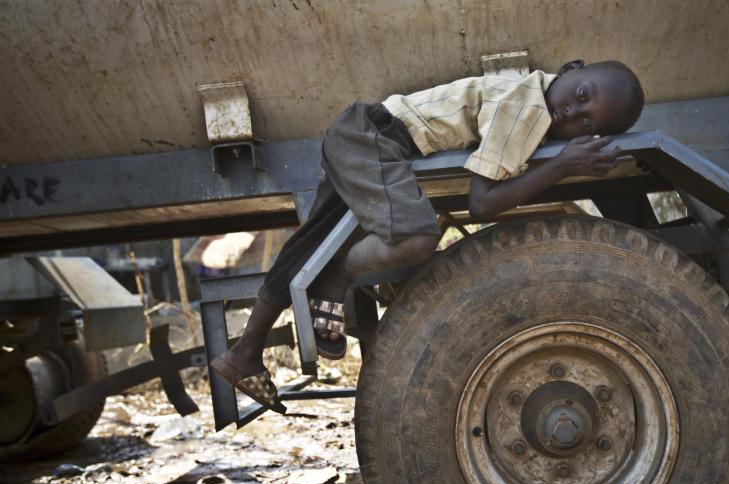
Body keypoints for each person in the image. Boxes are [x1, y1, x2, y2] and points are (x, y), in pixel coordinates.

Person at [211, 60, 645, 410]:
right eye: (581, 96)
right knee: (416, 237)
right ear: (570, 69)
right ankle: (336, 281)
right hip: (372, 138)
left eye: (587, 124)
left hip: (362, 131)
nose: (571, 113)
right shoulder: (526, 109)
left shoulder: (530, 96)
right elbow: (483, 204)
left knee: (313, 243)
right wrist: (563, 167)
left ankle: (244, 354)